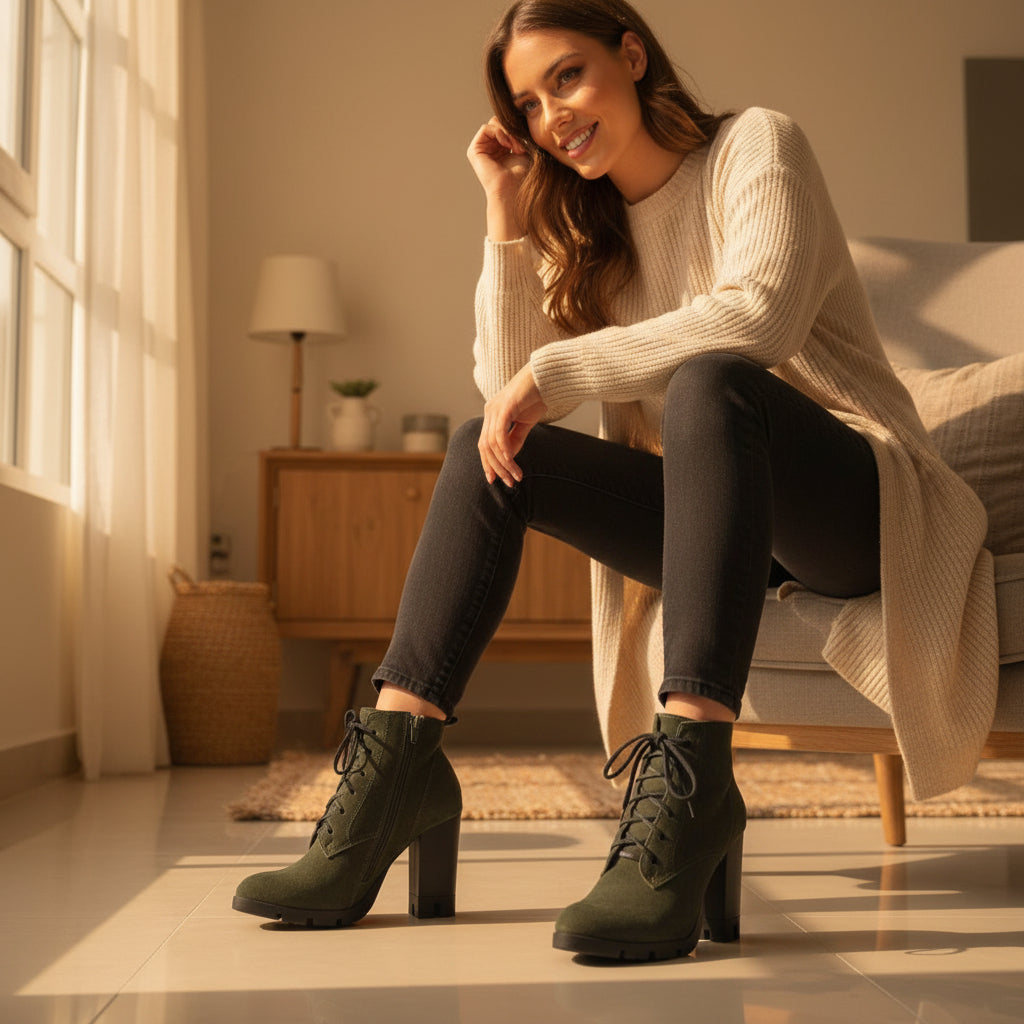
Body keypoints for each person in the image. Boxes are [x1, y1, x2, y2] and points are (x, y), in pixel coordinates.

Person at [233, 0, 996, 962]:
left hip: (858, 508)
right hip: (720, 530)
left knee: (714, 382)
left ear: (631, 55)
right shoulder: (586, 229)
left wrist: (557, 375)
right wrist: (506, 218)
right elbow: (508, 395)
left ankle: (688, 788)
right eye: (528, 102)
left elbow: (754, 321)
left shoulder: (758, 146)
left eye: (568, 77)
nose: (553, 115)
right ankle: (396, 772)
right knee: (486, 444)